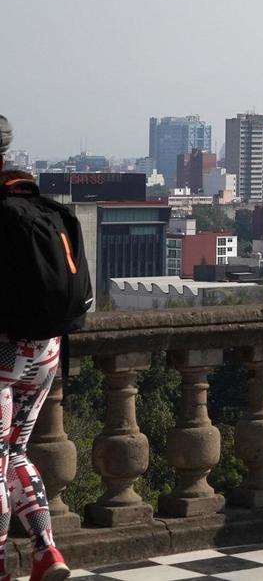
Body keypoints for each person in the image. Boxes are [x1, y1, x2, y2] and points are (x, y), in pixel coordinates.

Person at [0, 116, 71, 581]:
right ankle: (46, 552)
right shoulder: (28, 193)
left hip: (3, 352)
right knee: (16, 450)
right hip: (45, 349)